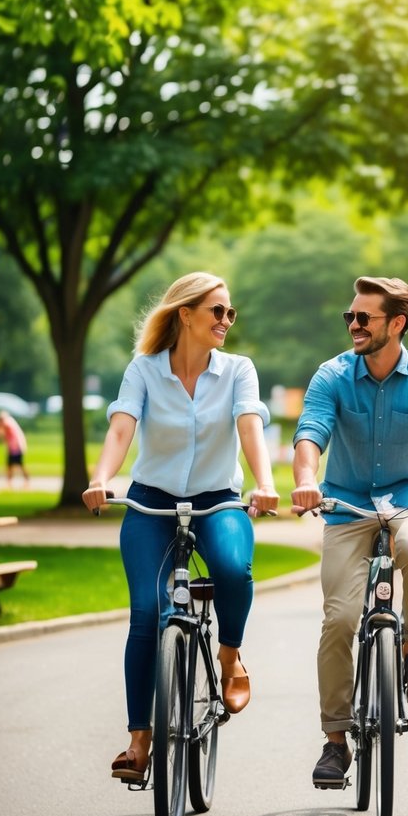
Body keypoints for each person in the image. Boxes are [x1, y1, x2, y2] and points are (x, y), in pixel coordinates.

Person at [82, 272, 279, 784]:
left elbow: (249, 426)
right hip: (152, 501)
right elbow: (122, 425)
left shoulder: (238, 370)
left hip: (218, 499)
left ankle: (230, 657)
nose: (226, 321)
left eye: (230, 312)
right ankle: (138, 741)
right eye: (217, 310)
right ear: (185, 314)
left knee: (234, 570)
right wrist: (102, 477)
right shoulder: (144, 370)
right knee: (147, 613)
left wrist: (265, 482)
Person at [291, 275, 408, 788]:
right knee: (339, 619)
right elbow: (311, 432)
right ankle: (335, 741)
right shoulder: (332, 375)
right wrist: (306, 480)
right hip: (345, 505)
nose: (352, 324)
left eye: (362, 317)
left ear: (396, 324)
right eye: (349, 317)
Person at [0, 410, 30, 488]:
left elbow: (0, 435)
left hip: (16, 447)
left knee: (18, 464)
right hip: (14, 447)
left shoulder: (7, 424)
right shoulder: (9, 421)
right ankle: (10, 482)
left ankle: (23, 481)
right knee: (11, 465)